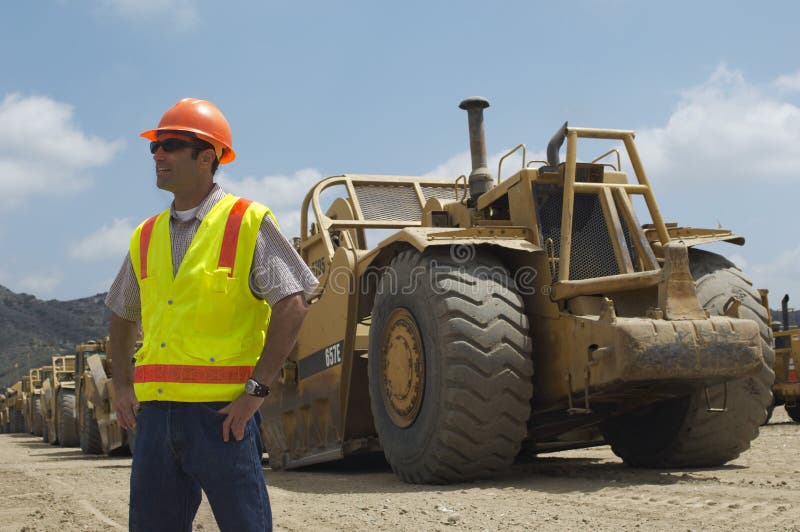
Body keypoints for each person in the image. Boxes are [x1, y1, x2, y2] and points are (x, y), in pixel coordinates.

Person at [105, 98, 318, 532]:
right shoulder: (145, 236)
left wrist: (256, 391)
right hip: (156, 416)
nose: (157, 155)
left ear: (208, 157)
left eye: (171, 145)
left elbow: (293, 302)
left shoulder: (247, 220)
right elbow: (122, 311)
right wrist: (122, 384)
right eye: (154, 147)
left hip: (222, 419)